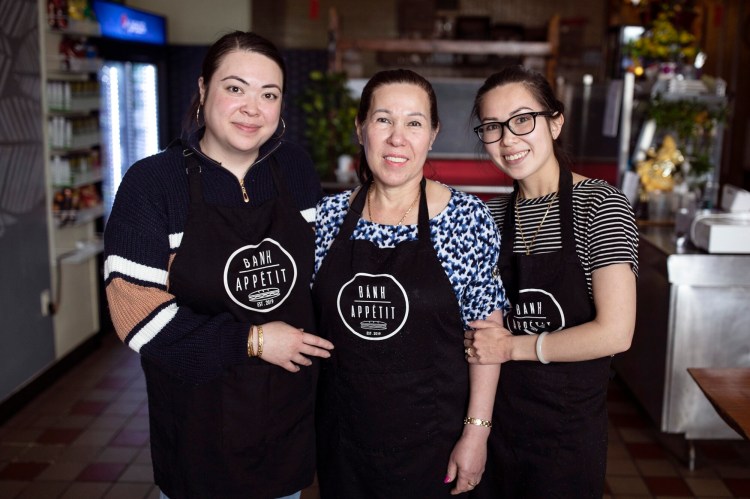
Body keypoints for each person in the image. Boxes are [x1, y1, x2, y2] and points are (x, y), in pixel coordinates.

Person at [103, 31, 334, 499]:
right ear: (204, 89)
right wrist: (254, 340)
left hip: (285, 420)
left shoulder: (294, 168)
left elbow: (320, 274)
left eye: (269, 94)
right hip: (200, 424)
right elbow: (137, 315)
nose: (253, 107)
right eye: (235, 88)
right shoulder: (154, 182)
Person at [312, 68, 506, 498]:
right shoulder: (326, 218)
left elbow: (487, 338)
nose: (397, 138)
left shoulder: (466, 219)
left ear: (432, 134)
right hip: (344, 443)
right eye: (384, 120)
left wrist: (476, 434)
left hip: (435, 445)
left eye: (414, 123)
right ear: (360, 127)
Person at [463, 65, 639, 498]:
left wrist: (512, 347)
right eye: (492, 127)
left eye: (522, 120)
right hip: (498, 423)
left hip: (566, 433)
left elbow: (616, 332)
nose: (508, 138)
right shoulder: (490, 216)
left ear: (555, 122)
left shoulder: (600, 204)